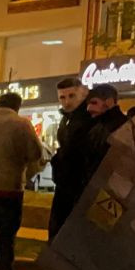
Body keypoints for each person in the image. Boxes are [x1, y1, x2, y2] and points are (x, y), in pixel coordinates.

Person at [0, 92, 45, 270]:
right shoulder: (22, 124)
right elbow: (35, 153)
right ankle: (3, 268)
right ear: (17, 106)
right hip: (9, 187)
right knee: (7, 234)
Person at [48, 77, 91, 239]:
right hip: (66, 183)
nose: (66, 102)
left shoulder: (85, 119)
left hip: (76, 185)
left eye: (71, 96)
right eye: (62, 97)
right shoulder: (68, 119)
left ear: (83, 93)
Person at [82, 83, 128, 185]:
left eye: (94, 102)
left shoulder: (122, 127)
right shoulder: (97, 126)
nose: (89, 108)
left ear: (109, 102)